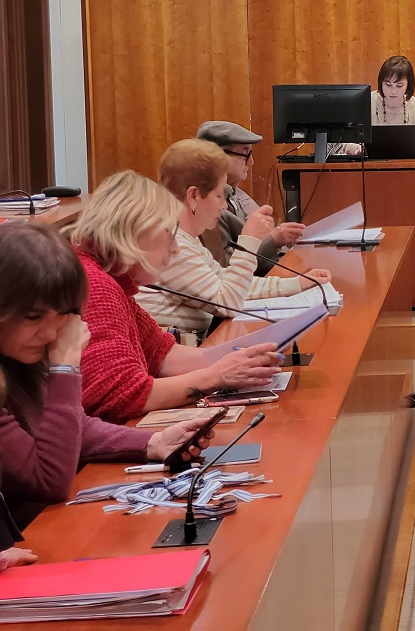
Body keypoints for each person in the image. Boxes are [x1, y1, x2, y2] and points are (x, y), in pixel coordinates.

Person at [0, 223, 213, 524]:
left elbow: (74, 428)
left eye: (61, 317)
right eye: (33, 317)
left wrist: (153, 442)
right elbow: (48, 480)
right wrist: (65, 368)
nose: (49, 334)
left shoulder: (19, 354)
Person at [71, 170, 284, 423]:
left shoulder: (112, 281)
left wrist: (243, 358)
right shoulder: (95, 285)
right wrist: (217, 376)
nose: (174, 249)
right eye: (170, 235)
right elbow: (121, 395)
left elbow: (162, 355)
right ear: (135, 231)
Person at [137, 139, 331, 337]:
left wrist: (298, 283)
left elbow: (230, 285)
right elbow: (228, 303)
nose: (223, 206)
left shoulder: (185, 238)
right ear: (194, 196)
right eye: (219, 196)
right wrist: (249, 241)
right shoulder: (172, 243)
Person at [196, 120, 307, 274]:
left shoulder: (240, 196)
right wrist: (273, 240)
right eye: (245, 154)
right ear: (218, 156)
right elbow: (226, 265)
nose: (251, 162)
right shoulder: (206, 204)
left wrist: (282, 238)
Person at [333, 56, 415, 157]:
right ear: (381, 83)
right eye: (388, 85)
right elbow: (341, 142)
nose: (393, 91)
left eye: (399, 85)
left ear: (408, 85)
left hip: (409, 166)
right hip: (371, 166)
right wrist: (355, 148)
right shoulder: (365, 103)